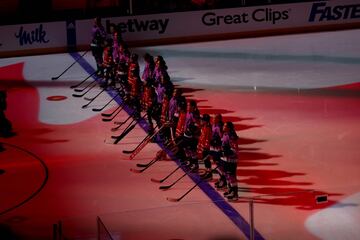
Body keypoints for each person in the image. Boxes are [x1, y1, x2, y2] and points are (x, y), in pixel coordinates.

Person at [220, 121, 239, 201]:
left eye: (225, 126)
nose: (223, 127)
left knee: (231, 176)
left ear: (229, 128)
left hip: (231, 160)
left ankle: (235, 193)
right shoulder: (225, 134)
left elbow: (234, 149)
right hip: (225, 159)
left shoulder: (232, 136)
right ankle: (230, 189)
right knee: (227, 175)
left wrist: (227, 152)